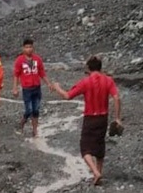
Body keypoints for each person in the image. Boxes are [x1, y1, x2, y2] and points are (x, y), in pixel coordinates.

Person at [52, 55, 122, 185]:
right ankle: (98, 172)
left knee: (85, 148)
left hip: (90, 117)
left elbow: (68, 96)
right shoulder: (108, 80)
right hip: (103, 117)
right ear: (100, 68)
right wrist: (117, 118)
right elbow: (117, 98)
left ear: (89, 69)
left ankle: (95, 172)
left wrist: (57, 87)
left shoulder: (85, 82)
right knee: (100, 145)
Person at [12, 38, 53, 137]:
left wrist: (48, 84)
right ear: (23, 48)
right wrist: (15, 88)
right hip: (27, 89)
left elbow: (42, 73)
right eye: (26, 47)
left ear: (33, 48)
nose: (29, 49)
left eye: (30, 47)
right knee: (29, 110)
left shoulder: (37, 59)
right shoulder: (20, 60)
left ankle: (35, 130)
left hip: (37, 88)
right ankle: (22, 122)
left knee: (36, 109)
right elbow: (16, 75)